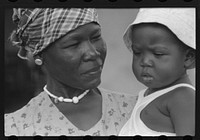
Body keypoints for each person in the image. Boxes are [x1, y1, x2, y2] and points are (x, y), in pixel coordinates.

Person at [4, 8, 137, 136]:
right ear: (39, 56)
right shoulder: (17, 126)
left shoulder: (135, 109)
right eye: (73, 44)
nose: (92, 53)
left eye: (96, 37)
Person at [119, 8, 195, 136]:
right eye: (137, 52)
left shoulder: (183, 98)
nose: (145, 61)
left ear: (188, 58)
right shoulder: (149, 94)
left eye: (158, 53)